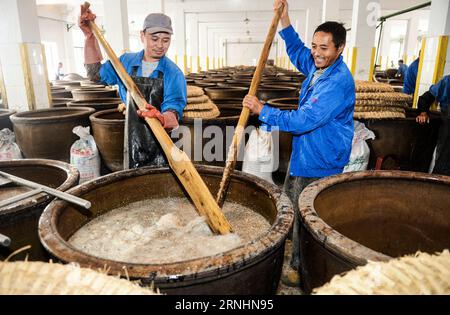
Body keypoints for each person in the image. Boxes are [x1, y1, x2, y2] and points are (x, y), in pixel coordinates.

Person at [243, 0, 355, 286]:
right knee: (295, 204)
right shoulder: (319, 67)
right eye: (315, 46)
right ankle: (297, 256)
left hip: (322, 156)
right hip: (305, 152)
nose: (316, 53)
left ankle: (304, 270)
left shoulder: (337, 82)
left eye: (324, 48)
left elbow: (304, 121)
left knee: (311, 216)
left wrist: (262, 110)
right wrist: (285, 18)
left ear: (339, 49)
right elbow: (296, 51)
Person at [79, 6, 187, 169]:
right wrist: (89, 37)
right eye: (154, 38)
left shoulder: (173, 73)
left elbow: (174, 112)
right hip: (132, 139)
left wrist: (162, 117)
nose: (160, 45)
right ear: (142, 36)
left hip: (162, 143)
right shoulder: (125, 62)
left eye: (166, 40)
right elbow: (95, 75)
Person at [416, 74, 450, 176]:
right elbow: (425, 98)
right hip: (448, 127)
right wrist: (423, 113)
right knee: (444, 158)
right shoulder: (447, 82)